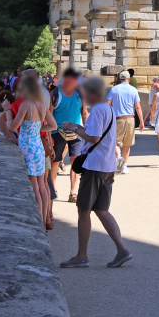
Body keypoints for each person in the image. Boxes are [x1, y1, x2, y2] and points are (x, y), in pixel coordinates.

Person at [60, 76, 132, 270]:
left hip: (95, 167)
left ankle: (81, 256)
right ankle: (122, 249)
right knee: (101, 209)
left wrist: (74, 127)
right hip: (107, 166)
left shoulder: (98, 110)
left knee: (83, 210)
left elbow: (93, 137)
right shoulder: (108, 108)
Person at [9, 73, 56, 231]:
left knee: (34, 186)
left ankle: (37, 223)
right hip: (38, 146)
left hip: (27, 146)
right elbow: (53, 125)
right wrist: (37, 128)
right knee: (41, 186)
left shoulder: (25, 105)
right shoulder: (41, 105)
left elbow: (13, 127)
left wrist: (7, 111)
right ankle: (43, 221)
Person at [51, 68, 87, 202]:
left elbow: (84, 112)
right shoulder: (55, 93)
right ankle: (53, 189)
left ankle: (73, 192)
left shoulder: (80, 93)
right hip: (57, 131)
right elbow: (49, 113)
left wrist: (88, 130)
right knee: (55, 162)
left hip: (75, 131)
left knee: (75, 162)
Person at [109, 69, 144, 174]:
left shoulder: (114, 89)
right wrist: (142, 121)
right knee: (127, 143)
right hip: (130, 119)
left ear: (120, 79)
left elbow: (107, 104)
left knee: (115, 142)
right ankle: (124, 166)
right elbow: (137, 107)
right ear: (128, 79)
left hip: (118, 119)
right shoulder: (133, 90)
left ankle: (118, 157)